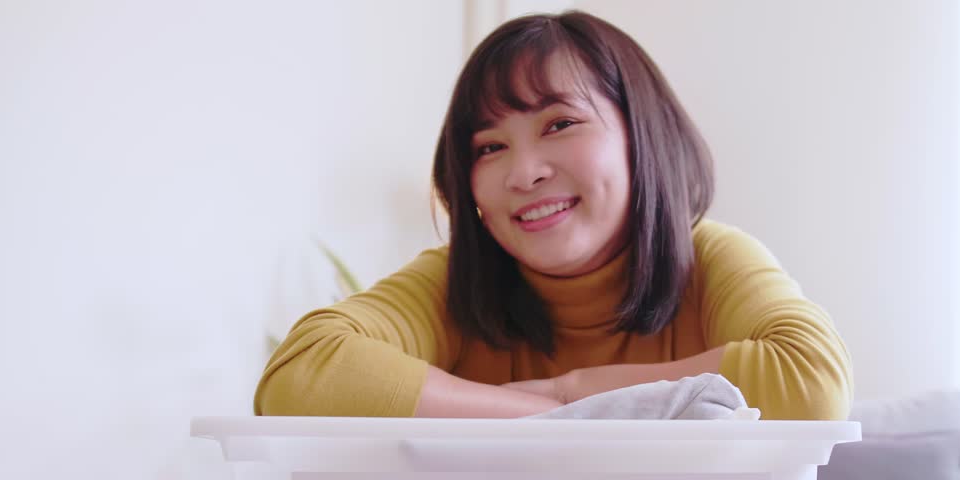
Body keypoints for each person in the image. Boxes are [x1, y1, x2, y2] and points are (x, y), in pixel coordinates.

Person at [255, 11, 853, 421]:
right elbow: (303, 374)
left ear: (641, 136)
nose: (523, 173)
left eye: (560, 124)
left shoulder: (710, 261)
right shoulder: (454, 282)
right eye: (490, 147)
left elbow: (812, 380)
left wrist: (574, 394)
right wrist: (550, 417)